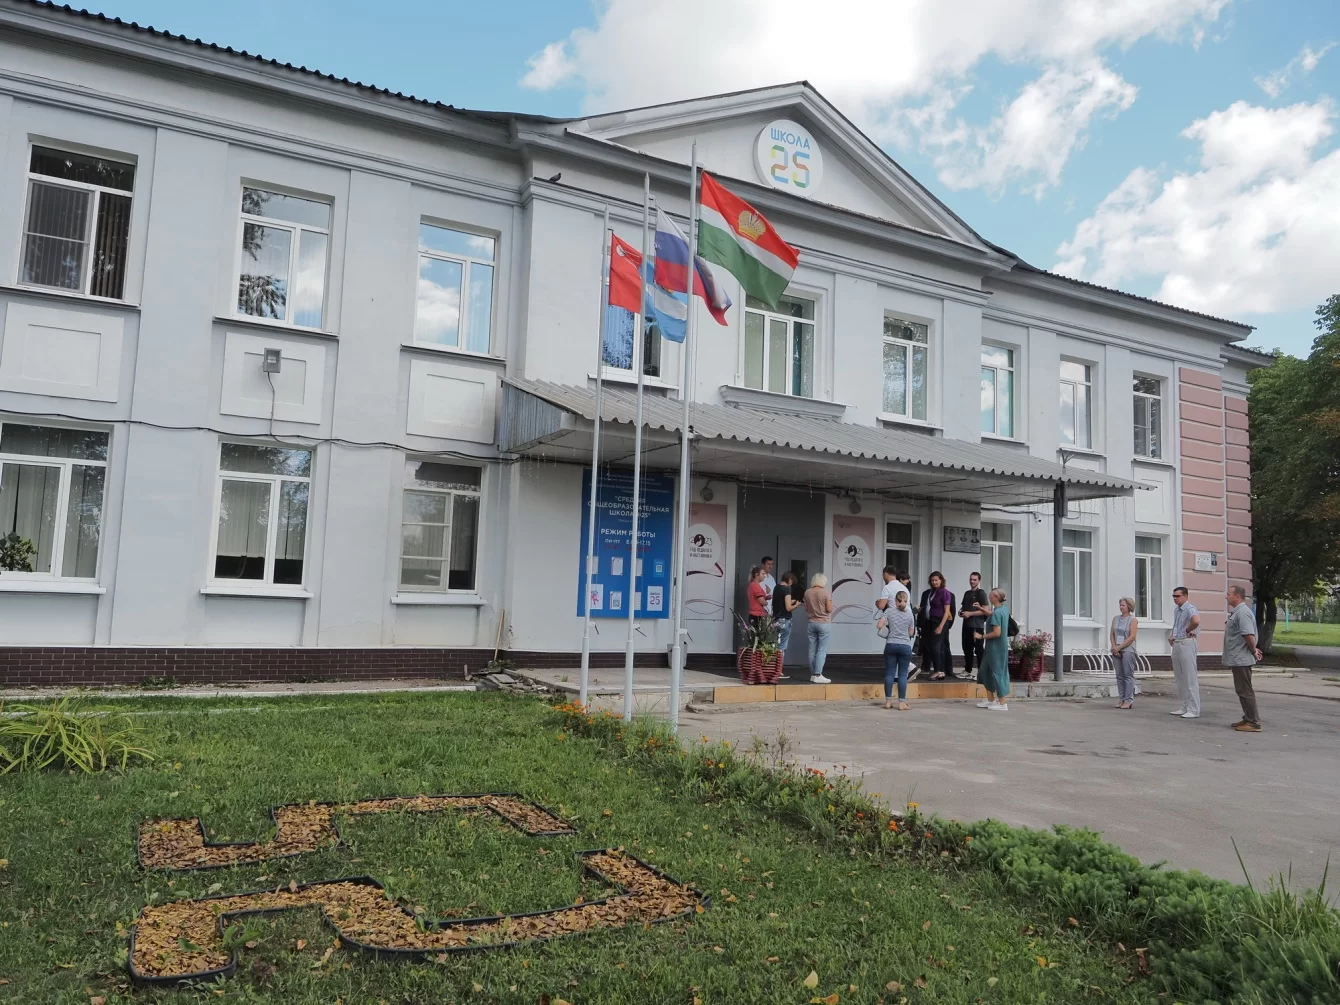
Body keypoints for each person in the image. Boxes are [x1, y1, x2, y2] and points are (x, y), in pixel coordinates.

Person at [1224, 585, 1265, 732]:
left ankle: (1253, 722)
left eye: (1228, 594)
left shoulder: (1242, 613)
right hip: (1238, 658)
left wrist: (1253, 650)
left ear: (1237, 596)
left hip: (1242, 658)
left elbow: (1248, 635)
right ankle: (1248, 718)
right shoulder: (1238, 612)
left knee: (1245, 690)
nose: (1226, 596)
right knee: (1242, 690)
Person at [877, 591, 917, 710]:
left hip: (891, 645)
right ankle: (901, 703)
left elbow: (879, 625)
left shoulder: (889, 611)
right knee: (903, 675)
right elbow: (911, 632)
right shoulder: (910, 614)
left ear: (895, 600)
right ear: (907, 601)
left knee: (889, 673)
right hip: (905, 646)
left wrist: (888, 626)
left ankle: (888, 702)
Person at [974, 588, 1011, 711]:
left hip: (995, 648)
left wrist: (981, 636)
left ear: (996, 598)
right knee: (985, 671)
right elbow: (992, 615)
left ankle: (1002, 703)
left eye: (991, 595)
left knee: (997, 673)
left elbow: (996, 633)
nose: (989, 597)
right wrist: (981, 609)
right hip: (995, 647)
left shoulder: (997, 613)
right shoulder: (1003, 609)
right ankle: (990, 700)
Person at [1168, 586, 1202, 719]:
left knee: (1189, 677)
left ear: (1185, 596)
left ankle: (1194, 709)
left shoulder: (1189, 608)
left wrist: (1188, 630)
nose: (1175, 599)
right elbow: (1177, 625)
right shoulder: (1177, 610)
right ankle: (1184, 706)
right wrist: (1172, 635)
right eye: (1174, 596)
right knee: (1180, 677)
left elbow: (1196, 620)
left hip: (1187, 643)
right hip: (1177, 642)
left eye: (1178, 596)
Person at [918, 572, 954, 680]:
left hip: (940, 621)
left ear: (941, 580)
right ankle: (940, 672)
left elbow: (947, 612)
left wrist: (941, 626)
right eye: (932, 580)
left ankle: (938, 670)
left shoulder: (945, 592)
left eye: (936, 580)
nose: (934, 582)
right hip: (931, 621)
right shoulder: (932, 592)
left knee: (936, 646)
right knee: (932, 646)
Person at [803, 572, 834, 685]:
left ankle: (813, 674)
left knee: (812, 649)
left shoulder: (807, 592)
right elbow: (829, 609)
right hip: (824, 623)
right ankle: (818, 674)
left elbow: (806, 608)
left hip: (811, 623)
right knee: (821, 650)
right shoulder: (825, 592)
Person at [1110, 597, 1139, 709]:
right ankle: (1121, 698)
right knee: (1119, 675)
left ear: (1129, 606)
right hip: (1116, 649)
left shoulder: (1133, 620)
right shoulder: (1115, 618)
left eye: (1123, 605)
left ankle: (1128, 700)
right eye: (1120, 605)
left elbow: (1132, 637)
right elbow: (1112, 634)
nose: (1121, 607)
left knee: (1128, 675)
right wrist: (1114, 647)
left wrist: (1120, 647)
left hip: (1128, 650)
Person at [959, 572, 989, 680]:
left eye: (975, 579)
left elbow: (985, 610)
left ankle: (981, 672)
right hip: (966, 625)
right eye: (971, 579)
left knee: (979, 650)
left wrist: (970, 614)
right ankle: (968, 670)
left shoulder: (981, 593)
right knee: (967, 648)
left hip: (977, 625)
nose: (972, 581)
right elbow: (963, 607)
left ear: (979, 581)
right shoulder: (967, 593)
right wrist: (961, 612)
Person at [772, 570, 799, 659]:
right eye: (792, 582)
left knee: (775, 645)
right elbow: (788, 608)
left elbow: (782, 601)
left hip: (776, 619)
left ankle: (773, 665)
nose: (791, 584)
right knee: (782, 646)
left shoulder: (776, 587)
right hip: (785, 620)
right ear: (790, 580)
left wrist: (792, 601)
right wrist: (796, 604)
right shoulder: (787, 589)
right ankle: (779, 666)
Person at [745, 565, 768, 632]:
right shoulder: (754, 585)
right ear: (757, 574)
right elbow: (762, 601)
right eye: (763, 574)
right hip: (757, 615)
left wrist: (767, 597)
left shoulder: (756, 585)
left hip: (759, 614)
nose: (764, 576)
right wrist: (766, 602)